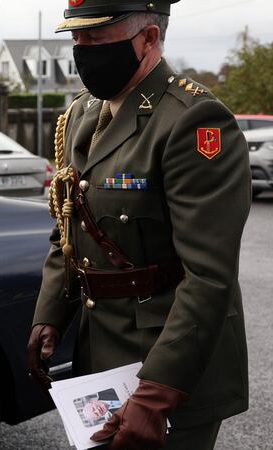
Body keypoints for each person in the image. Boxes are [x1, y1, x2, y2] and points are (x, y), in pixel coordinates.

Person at [26, 1, 250, 449]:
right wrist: (50, 314)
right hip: (101, 356)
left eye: (96, 39)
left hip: (170, 364)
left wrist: (158, 389)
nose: (82, 51)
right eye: (77, 39)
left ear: (148, 38)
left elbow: (208, 274)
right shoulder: (82, 115)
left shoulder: (193, 120)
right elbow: (68, 233)